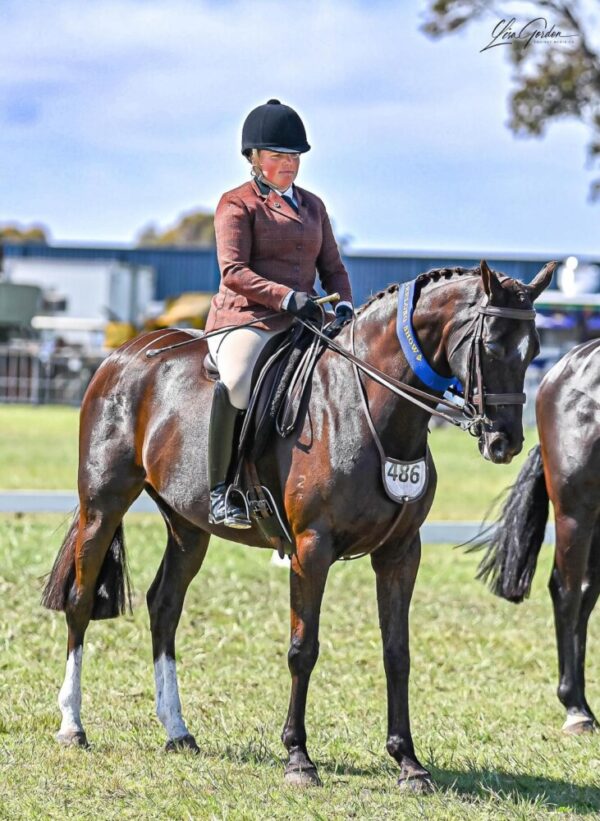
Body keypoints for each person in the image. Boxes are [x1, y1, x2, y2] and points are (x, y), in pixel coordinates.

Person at [205, 99, 354, 528]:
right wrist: (287, 298)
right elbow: (234, 272)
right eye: (277, 157)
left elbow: (332, 267)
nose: (288, 165)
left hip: (304, 319)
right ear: (254, 158)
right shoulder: (236, 205)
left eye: (293, 157)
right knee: (236, 382)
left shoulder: (313, 206)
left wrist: (342, 301)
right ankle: (221, 491)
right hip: (247, 318)